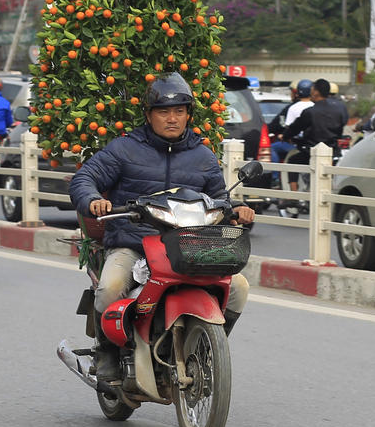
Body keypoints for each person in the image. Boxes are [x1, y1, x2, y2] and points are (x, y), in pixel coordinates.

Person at [67, 73, 255, 384]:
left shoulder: (203, 156)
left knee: (238, 289)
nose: (172, 119)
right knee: (111, 287)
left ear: (189, 115)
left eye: (179, 112)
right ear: (149, 115)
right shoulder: (125, 149)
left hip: (187, 245)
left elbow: (219, 199)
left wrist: (236, 210)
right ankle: (107, 352)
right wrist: (93, 199)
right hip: (134, 241)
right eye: (164, 112)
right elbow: (85, 179)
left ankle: (209, 345)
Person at [283, 78, 349, 182]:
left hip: (312, 151)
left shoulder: (310, 112)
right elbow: (344, 122)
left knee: (293, 161)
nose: (311, 92)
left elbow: (294, 128)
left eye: (312, 89)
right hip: (333, 150)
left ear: (316, 92)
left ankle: (293, 196)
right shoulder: (340, 108)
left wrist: (285, 136)